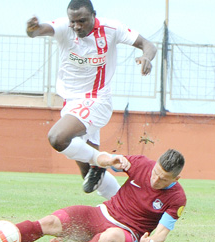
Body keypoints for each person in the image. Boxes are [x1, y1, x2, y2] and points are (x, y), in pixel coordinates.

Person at [26, 0, 158, 199]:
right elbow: (40, 30)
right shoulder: (65, 27)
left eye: (82, 21)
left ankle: (101, 159)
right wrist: (32, 29)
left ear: (94, 15)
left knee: (57, 138)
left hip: (97, 101)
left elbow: (148, 45)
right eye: (73, 22)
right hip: (71, 103)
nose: (77, 26)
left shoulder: (111, 29)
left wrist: (147, 57)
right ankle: (125, 210)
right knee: (90, 178)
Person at [0, 149, 186, 242]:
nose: (155, 179)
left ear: (176, 179)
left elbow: (162, 232)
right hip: (101, 214)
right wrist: (110, 159)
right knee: (50, 222)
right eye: (156, 172)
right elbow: (100, 159)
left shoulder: (177, 198)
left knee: (109, 238)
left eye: (163, 178)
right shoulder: (141, 164)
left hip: (128, 233)